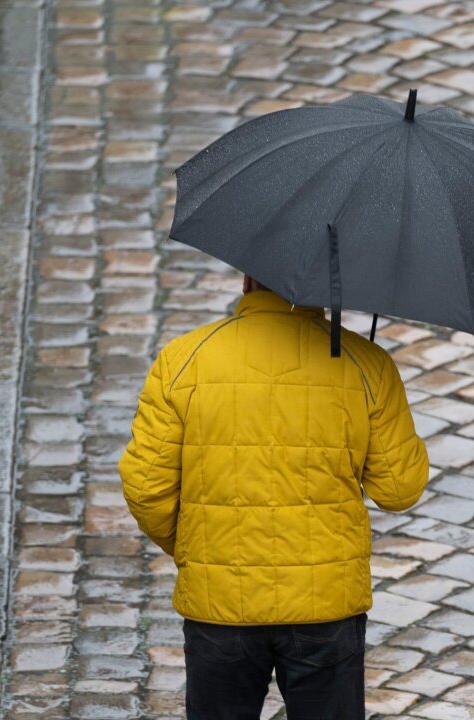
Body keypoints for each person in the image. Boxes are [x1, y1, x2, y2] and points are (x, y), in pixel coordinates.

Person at [119, 275, 430, 720]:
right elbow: (400, 489)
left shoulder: (183, 360)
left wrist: (196, 548)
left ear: (248, 280)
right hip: (326, 607)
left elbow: (146, 485)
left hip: (219, 604)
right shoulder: (366, 364)